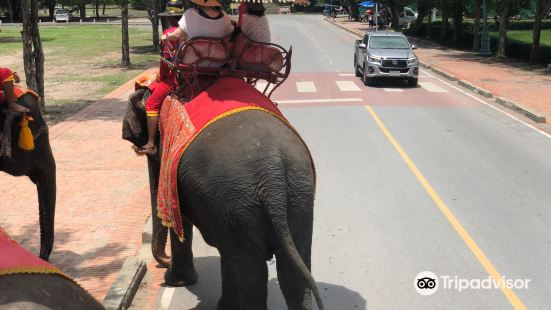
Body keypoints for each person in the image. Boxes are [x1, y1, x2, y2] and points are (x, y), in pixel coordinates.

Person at [138, 0, 233, 156]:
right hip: (219, 66)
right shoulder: (225, 18)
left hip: (192, 69)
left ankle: (150, 143)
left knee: (151, 104)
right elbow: (230, 35)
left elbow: (176, 37)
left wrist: (167, 36)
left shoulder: (189, 17)